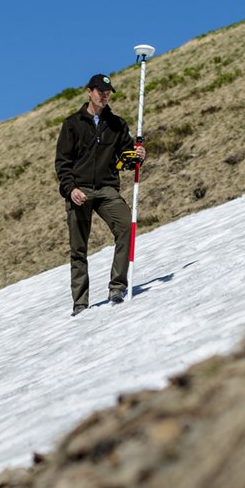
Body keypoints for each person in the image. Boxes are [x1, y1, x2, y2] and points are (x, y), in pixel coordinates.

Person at [55, 73, 146, 315]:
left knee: (127, 226)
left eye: (108, 92)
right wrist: (71, 189)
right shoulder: (72, 124)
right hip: (79, 190)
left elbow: (125, 158)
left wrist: (137, 157)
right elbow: (62, 163)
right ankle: (80, 303)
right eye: (100, 91)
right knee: (78, 249)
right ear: (89, 92)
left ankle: (117, 286)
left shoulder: (116, 124)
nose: (104, 95)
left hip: (106, 188)